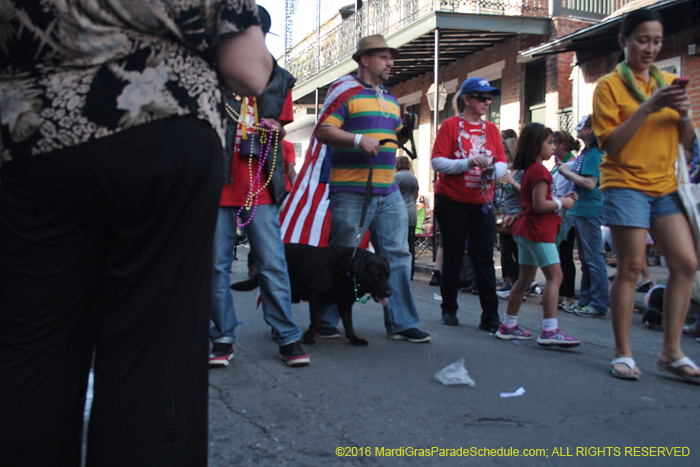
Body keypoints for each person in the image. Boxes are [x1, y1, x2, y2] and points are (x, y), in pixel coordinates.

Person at [0, 1, 271, 466]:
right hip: (159, 124)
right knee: (155, 352)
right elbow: (247, 70)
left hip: (31, 137)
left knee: (29, 351)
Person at [592, 8, 698, 382]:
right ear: (623, 42)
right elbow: (613, 145)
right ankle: (623, 352)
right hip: (624, 183)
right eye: (642, 40)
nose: (650, 48)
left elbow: (687, 146)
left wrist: (684, 116)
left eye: (656, 41)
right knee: (632, 267)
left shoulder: (669, 81)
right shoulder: (608, 86)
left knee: (685, 263)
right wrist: (650, 107)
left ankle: (671, 351)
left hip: (666, 185)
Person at [313, 35, 431, 343]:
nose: (391, 62)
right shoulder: (343, 89)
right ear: (365, 60)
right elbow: (323, 130)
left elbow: (388, 143)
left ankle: (402, 323)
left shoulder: (390, 98)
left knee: (399, 255)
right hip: (352, 189)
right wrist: (356, 140)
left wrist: (405, 132)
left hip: (386, 188)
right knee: (344, 255)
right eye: (384, 57)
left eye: (391, 57)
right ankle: (325, 320)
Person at [209, 6, 309, 368]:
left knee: (272, 263)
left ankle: (287, 335)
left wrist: (273, 127)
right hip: (217, 183)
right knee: (216, 266)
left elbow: (283, 126)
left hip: (260, 185)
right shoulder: (212, 73)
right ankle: (222, 337)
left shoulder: (280, 78)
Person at [431, 77, 507, 331]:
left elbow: (502, 163)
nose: (487, 102)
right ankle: (449, 309)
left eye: (489, 98)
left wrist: (492, 171)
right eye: (482, 97)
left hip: (481, 200)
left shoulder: (492, 130)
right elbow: (437, 162)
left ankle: (490, 317)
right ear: (467, 100)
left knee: (484, 257)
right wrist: (468, 163)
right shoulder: (450, 126)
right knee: (452, 255)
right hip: (452, 200)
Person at [495, 123, 580, 347]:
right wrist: (564, 202)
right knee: (555, 277)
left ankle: (508, 324)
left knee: (524, 279)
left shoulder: (529, 170)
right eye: (549, 143)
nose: (553, 147)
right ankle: (550, 330)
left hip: (526, 229)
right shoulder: (540, 171)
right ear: (536, 146)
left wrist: (561, 200)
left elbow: (536, 201)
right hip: (538, 230)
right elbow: (540, 204)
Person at [558, 116, 609, 318]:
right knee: (587, 259)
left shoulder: (594, 154)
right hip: (581, 210)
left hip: (589, 210)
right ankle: (587, 299)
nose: (578, 128)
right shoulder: (586, 153)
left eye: (583, 125)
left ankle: (597, 303)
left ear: (590, 131)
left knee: (593, 258)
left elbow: (589, 183)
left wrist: (566, 173)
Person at [552, 131, 580, 309]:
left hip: (567, 216)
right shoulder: (559, 165)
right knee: (559, 256)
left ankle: (568, 295)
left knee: (566, 255)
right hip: (557, 213)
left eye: (553, 143)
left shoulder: (572, 163)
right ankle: (560, 293)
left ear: (563, 144)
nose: (552, 147)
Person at [497, 137, 522, 299]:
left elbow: (526, 192)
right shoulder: (507, 170)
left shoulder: (521, 172)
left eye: (505, 151)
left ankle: (520, 284)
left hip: (518, 216)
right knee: (505, 252)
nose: (503, 154)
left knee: (516, 252)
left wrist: (512, 182)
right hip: (505, 215)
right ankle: (511, 283)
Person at [394, 155, 419, 279]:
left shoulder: (396, 177)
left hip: (399, 212)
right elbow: (416, 195)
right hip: (412, 212)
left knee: (399, 243)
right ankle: (411, 272)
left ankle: (400, 270)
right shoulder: (414, 178)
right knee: (410, 245)